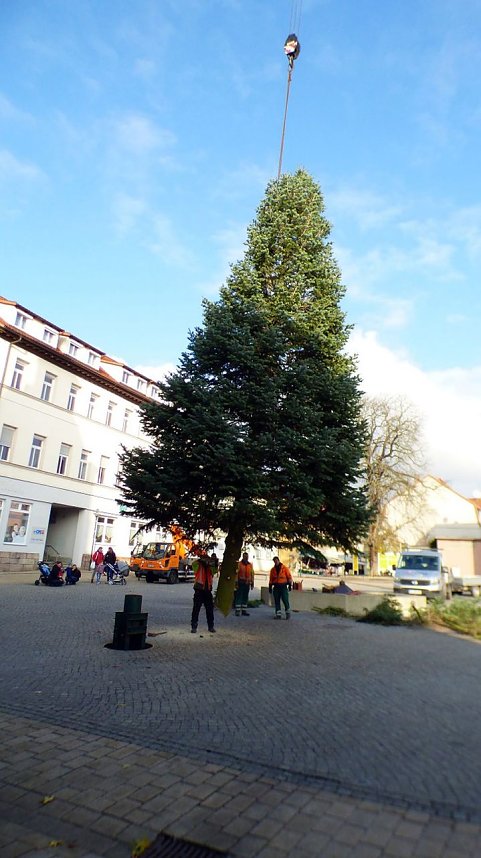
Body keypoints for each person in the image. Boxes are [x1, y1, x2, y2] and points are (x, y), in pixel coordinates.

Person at [191, 553, 217, 634]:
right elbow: (193, 564)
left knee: (209, 610)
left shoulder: (210, 567)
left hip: (207, 590)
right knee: (196, 609)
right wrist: (201, 560)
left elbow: (215, 570)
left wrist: (214, 561)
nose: (207, 561)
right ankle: (194, 627)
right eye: (205, 559)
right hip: (199, 590)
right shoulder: (198, 565)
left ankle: (211, 626)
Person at [235, 552, 254, 617]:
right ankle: (237, 610)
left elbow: (252, 574)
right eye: (245, 556)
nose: (246, 558)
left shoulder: (250, 565)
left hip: (247, 583)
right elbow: (236, 574)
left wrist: (252, 582)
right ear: (243, 557)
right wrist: (236, 582)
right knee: (239, 596)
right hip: (241, 582)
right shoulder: (239, 564)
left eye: (247, 556)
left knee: (245, 596)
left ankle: (244, 610)